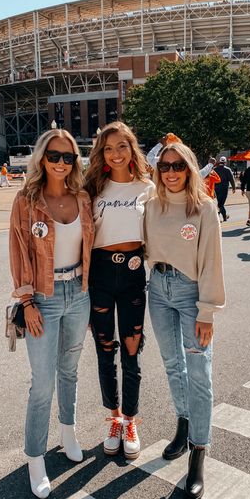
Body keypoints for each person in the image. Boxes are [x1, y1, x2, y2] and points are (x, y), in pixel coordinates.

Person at [9, 128, 94, 499]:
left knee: (70, 371)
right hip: (42, 297)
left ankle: (69, 431)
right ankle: (36, 458)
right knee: (42, 383)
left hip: (79, 292)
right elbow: (19, 253)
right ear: (42, 158)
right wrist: (26, 303)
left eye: (68, 157)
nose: (61, 163)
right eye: (54, 156)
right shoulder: (26, 200)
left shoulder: (83, 198)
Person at [144, 141, 225, 499]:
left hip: (191, 293)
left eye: (178, 166)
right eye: (165, 166)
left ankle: (198, 453)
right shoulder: (151, 204)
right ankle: (183, 423)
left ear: (190, 169)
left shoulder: (204, 208)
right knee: (172, 364)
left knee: (199, 372)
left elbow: (211, 262)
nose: (172, 172)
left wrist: (207, 311)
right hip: (157, 289)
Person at [84, 121, 154, 461]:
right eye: (108, 148)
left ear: (132, 149)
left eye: (121, 147)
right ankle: (112, 418)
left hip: (132, 273)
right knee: (104, 349)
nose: (115, 154)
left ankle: (130, 420)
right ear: (101, 152)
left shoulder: (147, 187)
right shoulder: (93, 188)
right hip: (98, 273)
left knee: (131, 349)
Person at [213, 156, 236, 222]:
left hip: (216, 188)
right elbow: (231, 179)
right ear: (225, 162)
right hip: (224, 188)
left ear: (219, 162)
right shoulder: (227, 169)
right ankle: (224, 216)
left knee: (219, 203)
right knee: (221, 204)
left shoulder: (215, 169)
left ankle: (218, 216)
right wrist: (233, 188)